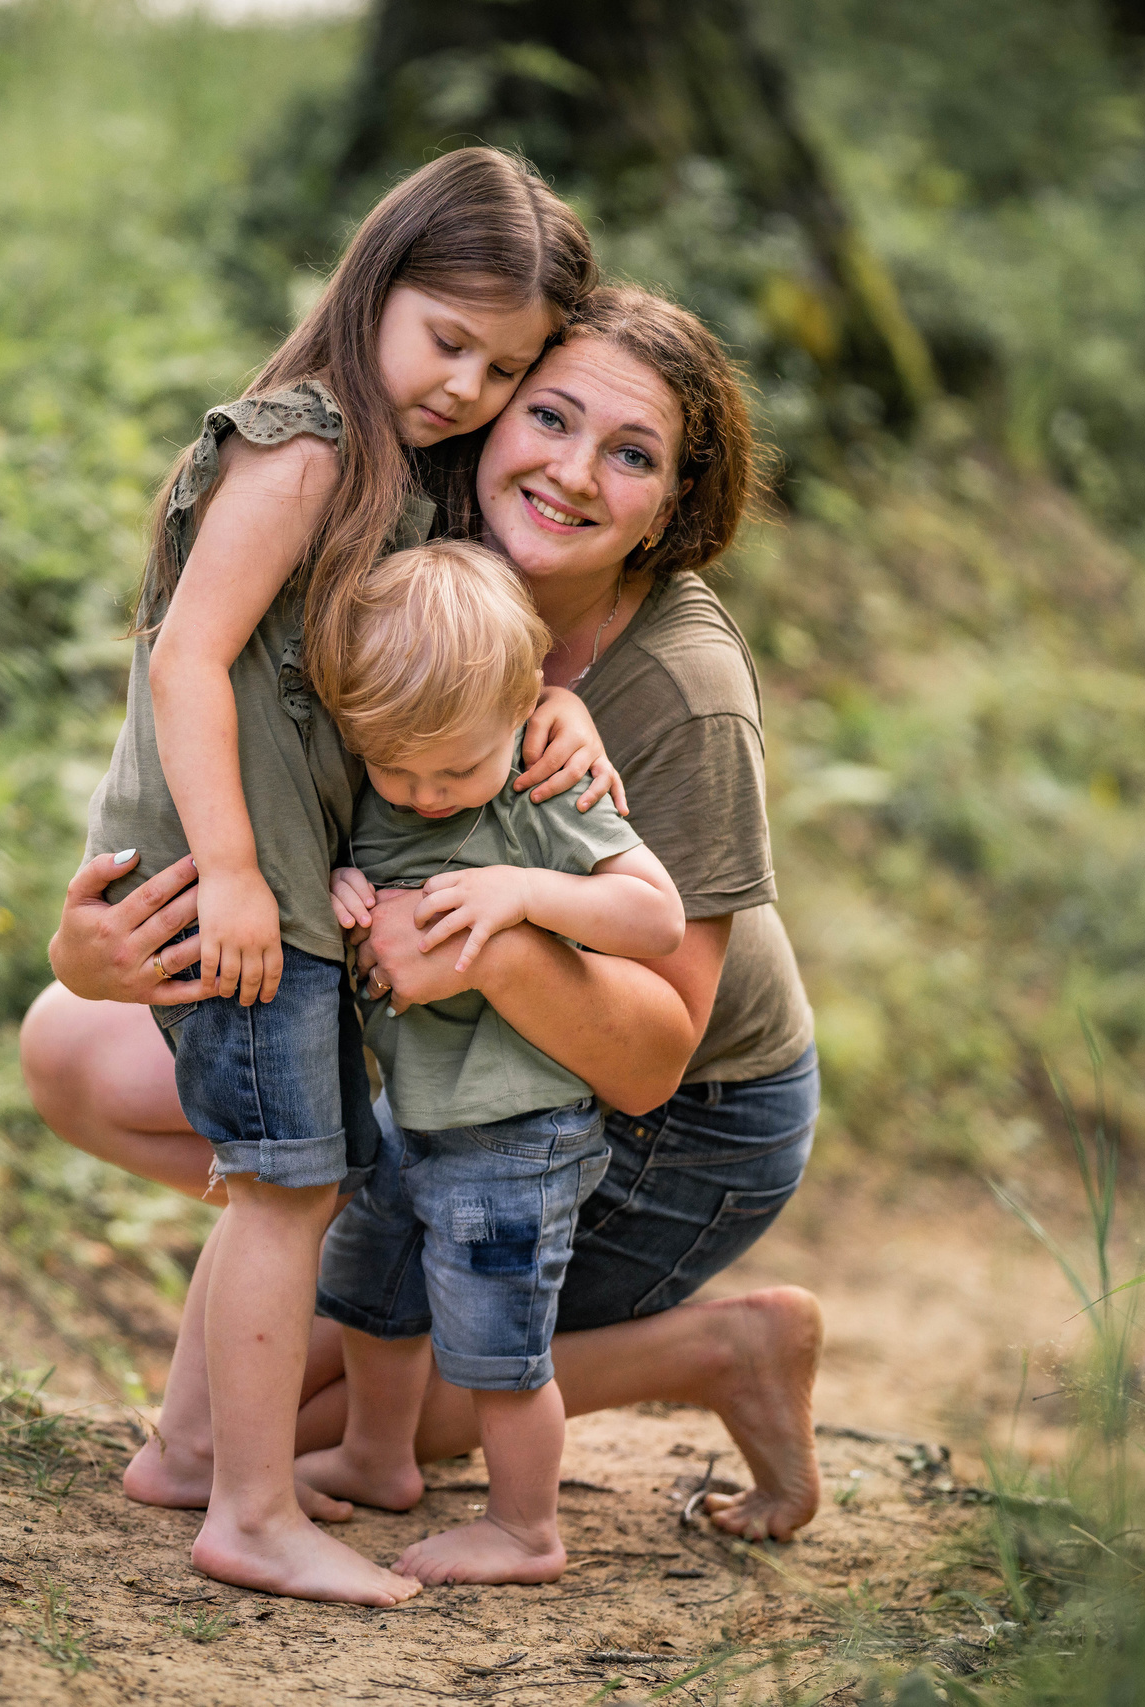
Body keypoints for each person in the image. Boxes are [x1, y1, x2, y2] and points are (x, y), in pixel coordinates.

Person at [27, 280, 825, 1546]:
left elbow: (653, 1057)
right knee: (69, 1041)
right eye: (548, 415)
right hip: (435, 1059)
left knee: (416, 1385)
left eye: (630, 455)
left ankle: (717, 1349)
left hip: (675, 1122)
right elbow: (253, 762)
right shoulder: (407, 550)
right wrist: (102, 948)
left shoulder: (680, 690)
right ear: (495, 408)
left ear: (673, 503)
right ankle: (354, 1245)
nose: (569, 472)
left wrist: (487, 940)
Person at [75, 146, 597, 1605]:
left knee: (297, 1176)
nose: (467, 390)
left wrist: (545, 699)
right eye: (449, 341)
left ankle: (189, 1449)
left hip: (286, 879)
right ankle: (248, 1510)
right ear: (377, 284)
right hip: (235, 879)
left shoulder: (380, 471)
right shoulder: (302, 445)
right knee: (286, 1192)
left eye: (504, 370)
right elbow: (188, 655)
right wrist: (236, 875)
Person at [298, 539, 683, 1585]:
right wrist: (339, 889)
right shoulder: (392, 785)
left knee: (498, 1346)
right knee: (370, 1297)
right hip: (409, 1112)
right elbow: (373, 874)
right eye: (397, 770)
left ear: (525, 708)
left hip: (518, 1133)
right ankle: (378, 1459)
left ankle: (524, 1527)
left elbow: (656, 916)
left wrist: (526, 891)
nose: (424, 794)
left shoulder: (541, 789)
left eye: (454, 771)